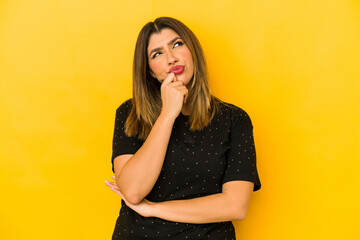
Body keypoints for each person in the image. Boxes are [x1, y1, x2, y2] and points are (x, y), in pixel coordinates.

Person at [105, 16, 261, 240]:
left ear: (193, 51)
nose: (171, 58)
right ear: (150, 71)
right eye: (156, 54)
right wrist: (168, 114)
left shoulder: (234, 119)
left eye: (177, 44)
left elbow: (236, 206)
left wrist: (154, 209)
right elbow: (132, 190)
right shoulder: (130, 113)